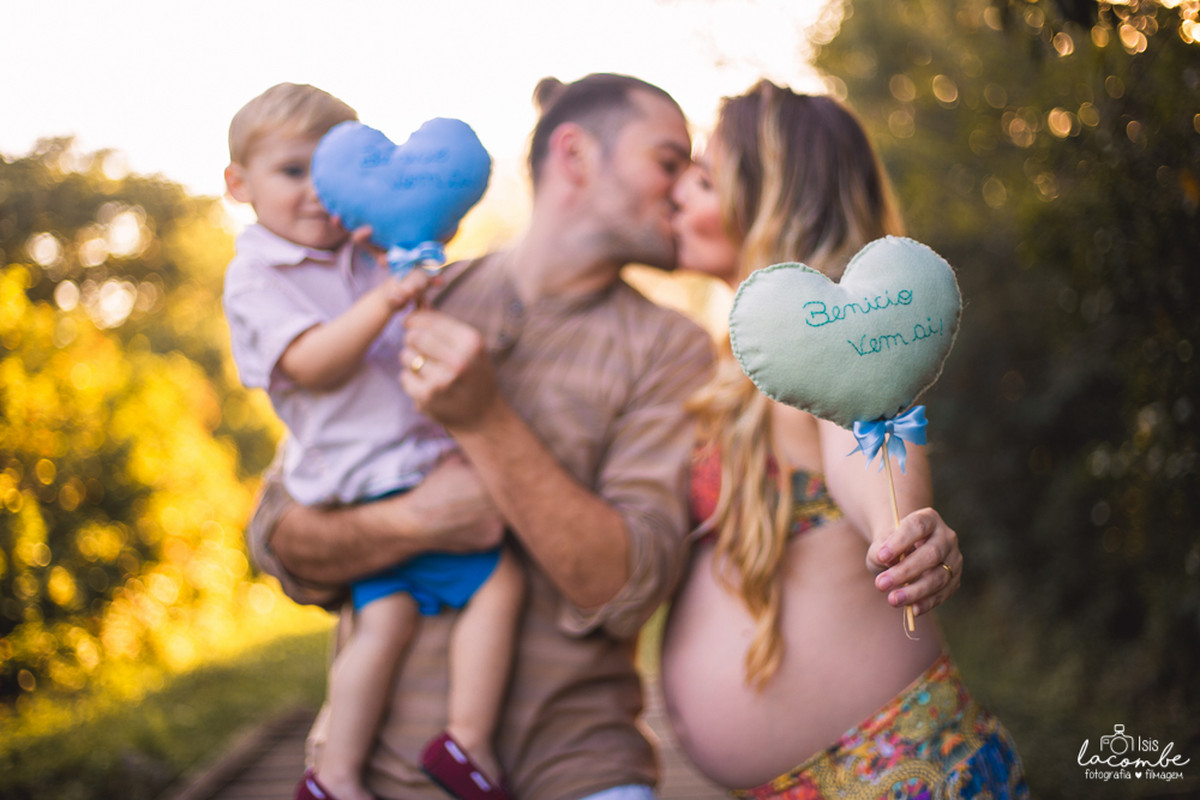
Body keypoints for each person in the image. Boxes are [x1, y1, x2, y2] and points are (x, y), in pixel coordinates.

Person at [241, 74, 714, 800]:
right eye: (668, 161)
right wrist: (413, 521)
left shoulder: (673, 349)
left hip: (582, 775)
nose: (686, 190)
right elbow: (279, 537)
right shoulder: (407, 300)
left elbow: (628, 589)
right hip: (384, 778)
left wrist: (485, 422)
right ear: (576, 154)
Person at [660, 80, 1029, 799]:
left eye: (702, 179)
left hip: (898, 773)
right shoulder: (729, 362)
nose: (677, 195)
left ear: (771, 198)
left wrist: (904, 529)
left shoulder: (833, 349)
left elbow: (869, 440)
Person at [221, 82, 525, 800]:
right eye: (291, 172)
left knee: (381, 622)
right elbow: (310, 364)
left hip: (404, 463)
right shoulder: (257, 275)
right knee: (496, 576)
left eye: (324, 176)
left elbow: (414, 299)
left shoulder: (356, 256)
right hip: (365, 475)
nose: (313, 194)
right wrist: (385, 296)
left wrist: (407, 252)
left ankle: (334, 777)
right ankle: (469, 741)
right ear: (238, 185)